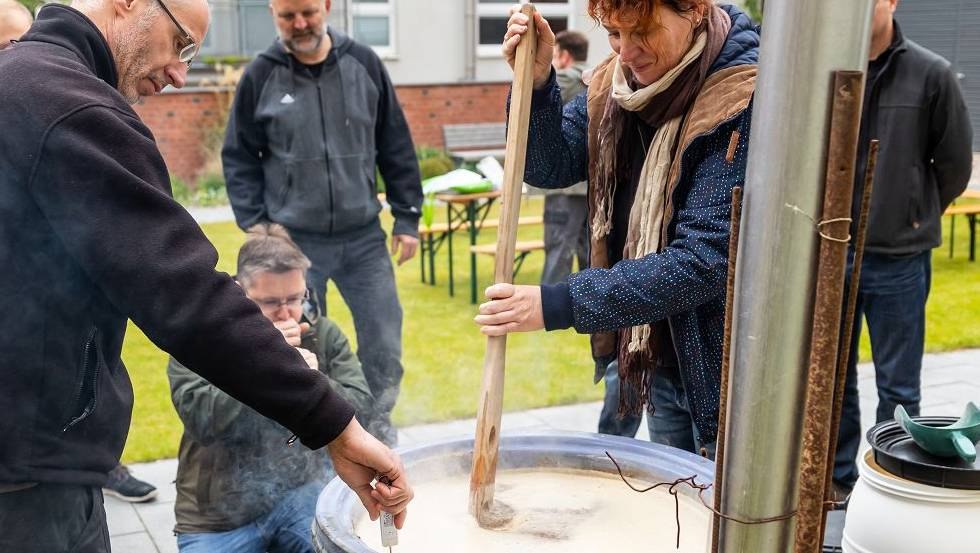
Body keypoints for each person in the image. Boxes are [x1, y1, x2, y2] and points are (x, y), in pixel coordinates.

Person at [0, 0, 412, 551]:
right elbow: (183, 293)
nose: (180, 72)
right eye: (182, 44)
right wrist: (335, 425)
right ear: (130, 4)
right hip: (27, 482)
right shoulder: (69, 107)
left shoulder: (19, 81)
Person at [475, 0, 759, 457]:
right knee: (678, 511)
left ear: (695, 12)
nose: (626, 52)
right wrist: (537, 81)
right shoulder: (615, 85)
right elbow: (547, 165)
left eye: (642, 31)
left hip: (726, 368)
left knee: (721, 518)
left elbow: (705, 260)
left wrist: (558, 304)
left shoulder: (742, 96)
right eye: (614, 34)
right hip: (655, 355)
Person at [223, 0, 422, 448]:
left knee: (384, 338)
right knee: (311, 340)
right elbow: (238, 156)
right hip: (297, 244)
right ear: (274, 12)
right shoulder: (261, 74)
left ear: (327, 6)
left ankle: (378, 420)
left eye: (309, 13)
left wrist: (407, 217)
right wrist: (257, 222)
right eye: (287, 16)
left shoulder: (363, 63)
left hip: (364, 237)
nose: (299, 24)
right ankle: (329, 426)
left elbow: (395, 142)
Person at [832, 0, 973, 498]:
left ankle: (893, 482)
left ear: (889, 2)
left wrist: (913, 211)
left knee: (898, 388)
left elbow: (953, 164)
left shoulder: (930, 73)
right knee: (833, 383)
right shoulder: (833, 70)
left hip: (900, 259)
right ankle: (839, 483)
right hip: (834, 254)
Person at [169, 224, 375, 553]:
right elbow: (201, 419)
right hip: (217, 515)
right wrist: (269, 365)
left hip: (298, 493)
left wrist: (313, 378)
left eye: (295, 298)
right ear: (238, 292)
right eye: (269, 302)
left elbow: (363, 407)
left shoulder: (320, 333)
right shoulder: (201, 338)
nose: (286, 312)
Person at [538, 29, 591, 286]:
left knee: (558, 247)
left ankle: (545, 309)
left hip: (564, 187)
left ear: (565, 56)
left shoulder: (565, 79)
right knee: (588, 251)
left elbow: (534, 95)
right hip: (590, 186)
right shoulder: (597, 81)